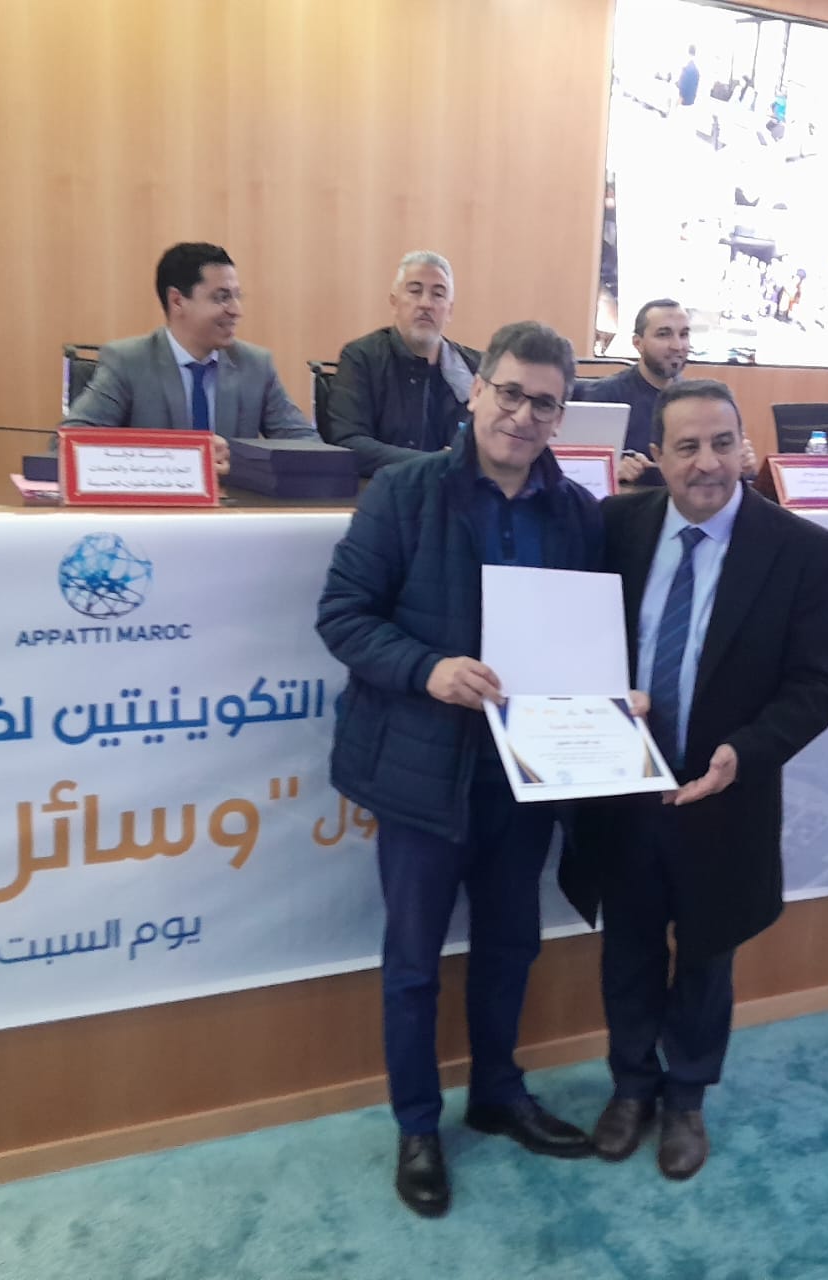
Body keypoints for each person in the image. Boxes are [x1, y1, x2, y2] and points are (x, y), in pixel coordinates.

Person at [316, 321, 602, 1219]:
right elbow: (343, 615)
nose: (522, 415)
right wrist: (427, 669)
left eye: (544, 403)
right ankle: (416, 1126)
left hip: (527, 773)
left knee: (511, 945)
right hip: (421, 768)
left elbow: (589, 639)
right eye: (509, 393)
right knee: (412, 962)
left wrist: (612, 697)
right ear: (476, 391)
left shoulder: (578, 512)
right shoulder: (404, 493)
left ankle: (497, 1094)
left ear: (561, 416)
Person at [559, 379, 828, 1182]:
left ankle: (686, 1095)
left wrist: (743, 754)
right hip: (623, 787)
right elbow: (569, 641)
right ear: (658, 456)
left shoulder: (801, 549)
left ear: (745, 448)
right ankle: (631, 1086)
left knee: (707, 951)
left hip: (724, 794)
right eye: (687, 447)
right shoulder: (613, 526)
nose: (708, 463)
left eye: (723, 443)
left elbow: (818, 686)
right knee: (627, 945)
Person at [63, 242, 315, 475]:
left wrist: (238, 460)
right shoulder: (128, 362)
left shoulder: (255, 365)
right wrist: (180, 459)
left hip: (235, 506)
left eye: (237, 296)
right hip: (156, 505)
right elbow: (69, 446)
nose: (236, 310)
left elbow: (309, 448)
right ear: (177, 301)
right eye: (221, 297)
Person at [326, 250, 481, 477]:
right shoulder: (362, 357)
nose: (426, 303)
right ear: (394, 302)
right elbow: (347, 443)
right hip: (381, 490)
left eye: (438, 294)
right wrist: (436, 463)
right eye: (415, 291)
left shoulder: (476, 369)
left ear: (449, 310)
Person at [575, 299, 757, 483]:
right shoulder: (604, 396)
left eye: (684, 334)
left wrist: (741, 465)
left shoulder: (697, 401)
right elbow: (576, 470)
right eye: (664, 335)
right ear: (638, 343)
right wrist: (608, 470)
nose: (677, 345)